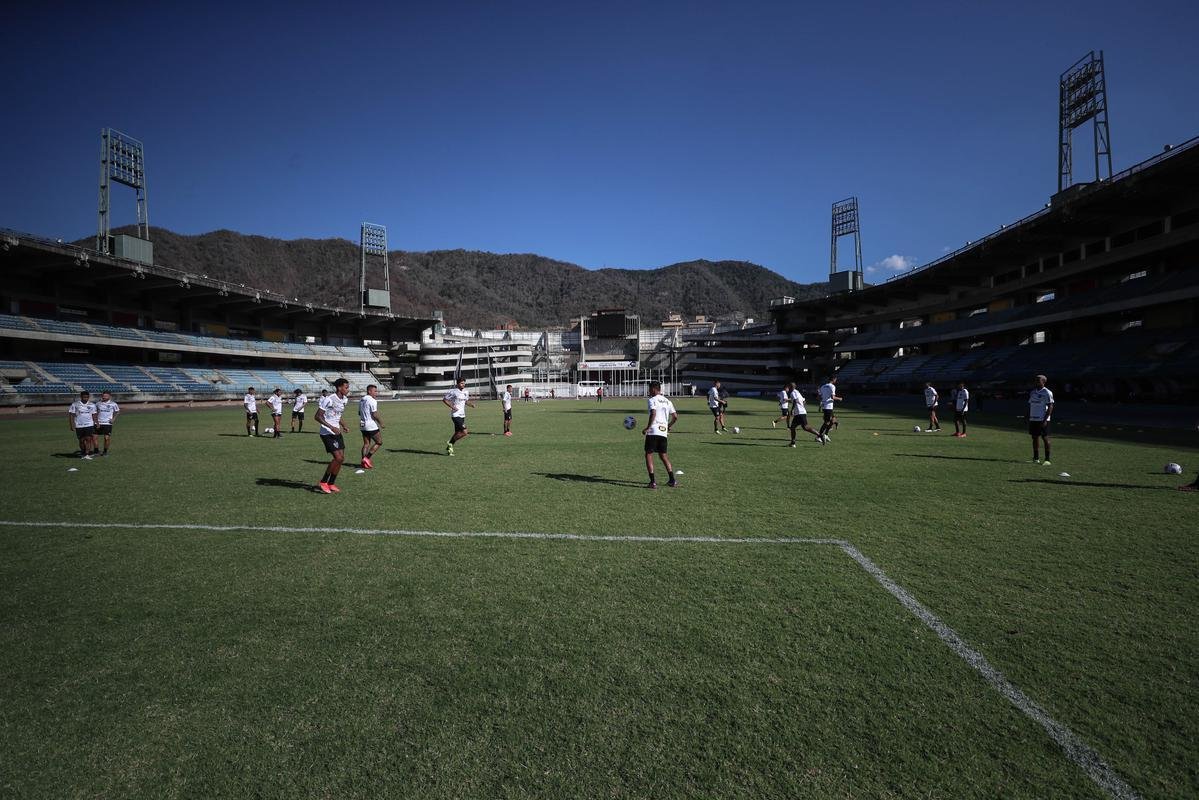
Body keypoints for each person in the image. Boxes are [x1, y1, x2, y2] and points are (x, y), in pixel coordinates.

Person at [314, 378, 351, 493]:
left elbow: (337, 415)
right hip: (327, 432)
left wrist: (343, 425)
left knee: (341, 459)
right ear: (339, 387)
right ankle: (323, 481)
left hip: (337, 432)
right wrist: (331, 427)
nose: (348, 390)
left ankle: (331, 483)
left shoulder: (345, 399)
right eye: (346, 387)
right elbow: (317, 416)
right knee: (338, 458)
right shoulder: (329, 399)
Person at [642, 381, 678, 489]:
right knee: (663, 455)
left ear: (654, 389)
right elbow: (675, 416)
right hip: (663, 432)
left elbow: (653, 413)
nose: (648, 391)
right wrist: (668, 425)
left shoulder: (652, 400)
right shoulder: (668, 401)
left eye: (649, 389)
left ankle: (652, 482)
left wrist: (648, 427)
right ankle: (672, 480)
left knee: (648, 454)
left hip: (653, 431)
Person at [443, 377, 476, 455]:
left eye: (464, 383)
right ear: (457, 384)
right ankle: (450, 442)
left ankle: (449, 448)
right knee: (465, 432)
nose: (463, 384)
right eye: (461, 383)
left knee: (457, 432)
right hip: (455, 415)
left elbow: (465, 401)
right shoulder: (453, 392)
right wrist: (452, 406)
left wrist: (471, 405)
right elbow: (444, 399)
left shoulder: (466, 392)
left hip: (462, 415)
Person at [1028, 374, 1054, 466]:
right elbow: (1031, 404)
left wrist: (1045, 420)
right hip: (1033, 418)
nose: (1036, 382)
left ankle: (1047, 459)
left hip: (1042, 419)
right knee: (1034, 437)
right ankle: (1036, 458)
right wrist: (1028, 416)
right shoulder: (1033, 392)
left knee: (1045, 438)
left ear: (1044, 382)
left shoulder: (1047, 392)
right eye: (1035, 380)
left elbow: (1050, 406)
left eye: (1038, 380)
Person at [68, 390, 98, 459]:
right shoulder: (75, 404)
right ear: (81, 397)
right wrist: (71, 425)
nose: (85, 398)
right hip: (79, 425)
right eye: (84, 397)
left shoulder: (92, 405)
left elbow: (94, 415)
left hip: (89, 425)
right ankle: (83, 452)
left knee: (89, 439)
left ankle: (87, 454)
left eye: (87, 397)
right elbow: (71, 415)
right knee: (81, 440)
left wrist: (97, 423)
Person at [358, 384, 383, 468]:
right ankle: (366, 458)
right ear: (369, 391)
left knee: (366, 444)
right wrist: (381, 423)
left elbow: (359, 413)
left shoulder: (362, 399)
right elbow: (375, 414)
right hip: (370, 424)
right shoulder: (372, 400)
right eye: (375, 391)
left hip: (362, 423)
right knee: (379, 442)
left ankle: (363, 463)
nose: (376, 393)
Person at [94, 390, 120, 456]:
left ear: (109, 396)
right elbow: (94, 412)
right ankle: (96, 451)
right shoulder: (98, 404)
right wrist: (95, 421)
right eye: (103, 395)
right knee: (94, 437)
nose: (104, 397)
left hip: (107, 423)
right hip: (98, 423)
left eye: (105, 396)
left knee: (106, 438)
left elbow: (117, 411)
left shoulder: (113, 404)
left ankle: (105, 452)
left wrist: (113, 419)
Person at [817, 377, 841, 443]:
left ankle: (826, 435)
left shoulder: (823, 386)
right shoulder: (832, 386)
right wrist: (839, 398)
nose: (836, 380)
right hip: (828, 407)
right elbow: (832, 397)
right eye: (835, 379)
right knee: (827, 422)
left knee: (833, 420)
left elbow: (819, 396)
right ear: (833, 379)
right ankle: (818, 436)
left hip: (825, 406)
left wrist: (822, 402)